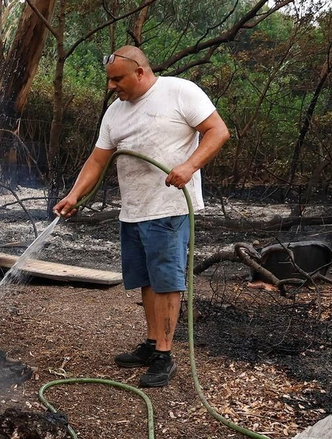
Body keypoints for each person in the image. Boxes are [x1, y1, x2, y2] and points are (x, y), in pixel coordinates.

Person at [53, 46, 229, 387]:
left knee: (166, 280)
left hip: (169, 206)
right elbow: (97, 160)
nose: (111, 86)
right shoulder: (115, 114)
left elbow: (218, 131)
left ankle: (165, 355)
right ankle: (151, 344)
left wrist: (189, 166)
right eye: (109, 80)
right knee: (147, 279)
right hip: (134, 210)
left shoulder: (179, 91)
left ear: (140, 72)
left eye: (117, 79)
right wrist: (74, 195)